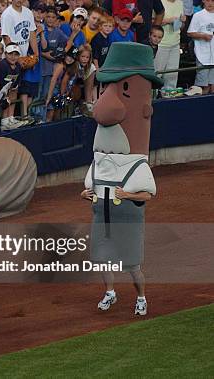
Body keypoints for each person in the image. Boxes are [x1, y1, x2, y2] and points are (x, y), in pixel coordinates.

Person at [83, 42, 162, 317]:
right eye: (105, 87)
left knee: (131, 265)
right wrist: (89, 195)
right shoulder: (99, 161)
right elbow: (91, 189)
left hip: (127, 218)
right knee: (102, 260)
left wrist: (127, 196)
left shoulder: (137, 165)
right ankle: (109, 292)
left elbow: (148, 195)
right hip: (102, 215)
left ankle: (141, 297)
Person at [0, 44, 24, 130]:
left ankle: (6, 121)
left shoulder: (18, 66)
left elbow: (13, 87)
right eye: (10, 54)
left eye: (16, 54)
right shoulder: (2, 65)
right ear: (5, 54)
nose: (13, 57)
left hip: (2, 98)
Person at [154, 0, 183, 89]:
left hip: (175, 43)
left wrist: (182, 21)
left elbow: (181, 26)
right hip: (161, 44)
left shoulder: (180, 2)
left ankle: (170, 98)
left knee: (172, 75)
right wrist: (168, 20)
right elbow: (152, 21)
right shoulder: (158, 2)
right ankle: (152, 97)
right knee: (157, 74)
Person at [45, 45, 79, 121]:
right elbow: (53, 80)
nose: (70, 59)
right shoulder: (60, 65)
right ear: (65, 55)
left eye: (73, 58)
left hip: (58, 92)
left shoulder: (69, 67)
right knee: (50, 112)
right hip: (52, 89)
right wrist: (49, 96)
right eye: (69, 56)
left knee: (56, 113)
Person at [187, 0, 213, 94]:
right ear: (203, 1)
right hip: (202, 56)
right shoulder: (198, 15)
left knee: (212, 86)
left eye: (212, 1)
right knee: (203, 87)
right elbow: (190, 33)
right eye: (208, 0)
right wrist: (203, 36)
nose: (210, 3)